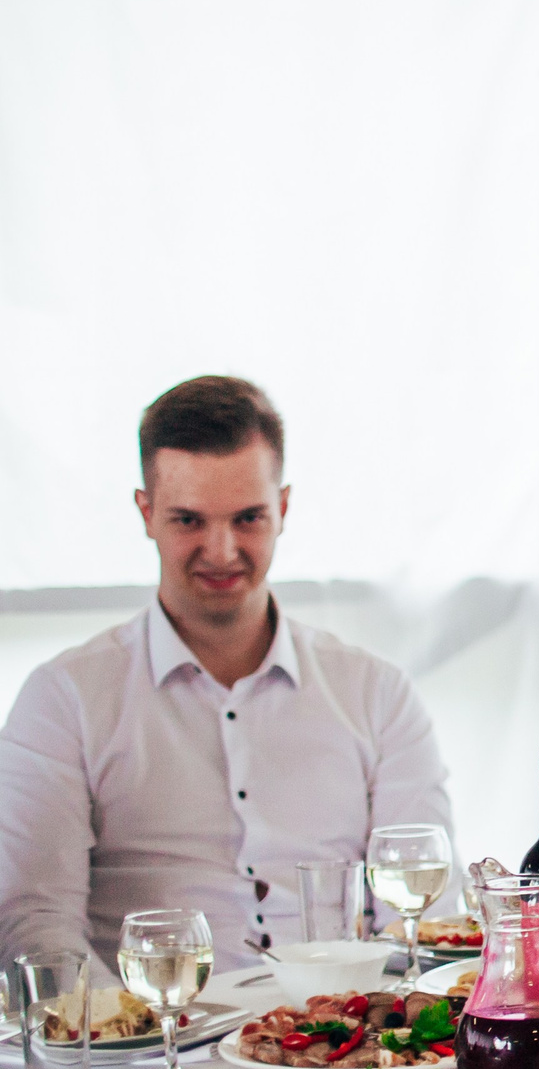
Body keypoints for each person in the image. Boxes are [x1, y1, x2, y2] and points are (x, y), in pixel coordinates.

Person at [0, 377, 450, 971]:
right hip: (151, 1047)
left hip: (346, 1045)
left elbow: (426, 921)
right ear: (145, 513)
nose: (221, 550)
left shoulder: (379, 694)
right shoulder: (65, 698)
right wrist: (121, 1039)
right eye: (189, 520)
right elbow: (35, 923)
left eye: (248, 518)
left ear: (283, 509)